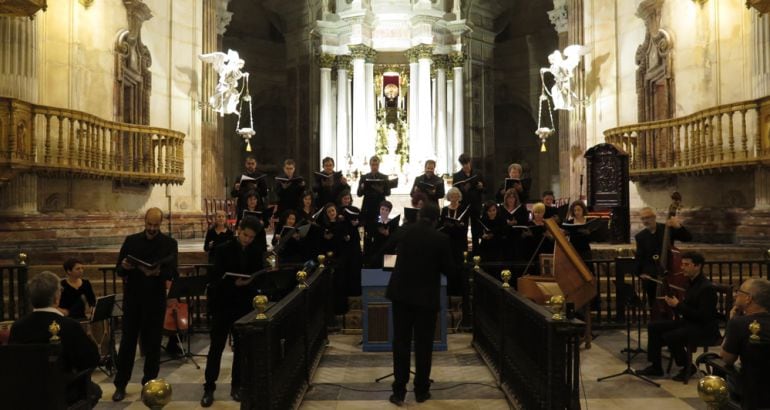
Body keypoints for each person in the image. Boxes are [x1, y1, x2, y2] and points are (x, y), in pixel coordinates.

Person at [383, 202, 455, 405]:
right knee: (424, 345)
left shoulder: (404, 230)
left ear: (419, 215)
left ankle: (398, 392)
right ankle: (421, 391)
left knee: (401, 343)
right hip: (426, 298)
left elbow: (386, 250)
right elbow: (449, 270)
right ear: (436, 219)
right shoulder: (441, 238)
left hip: (401, 295)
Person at [112, 208, 178, 402]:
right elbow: (119, 269)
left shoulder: (169, 243)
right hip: (133, 299)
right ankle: (120, 384)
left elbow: (173, 272)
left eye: (155, 226)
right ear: (144, 222)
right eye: (149, 225)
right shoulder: (131, 241)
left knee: (153, 344)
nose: (151, 229)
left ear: (161, 223)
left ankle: (149, 384)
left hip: (155, 299)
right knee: (127, 343)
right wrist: (124, 267)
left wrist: (158, 273)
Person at [9, 271, 102, 407]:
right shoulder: (69, 326)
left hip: (26, 390)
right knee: (95, 390)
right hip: (61, 391)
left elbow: (15, 361)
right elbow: (91, 360)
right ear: (56, 298)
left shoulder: (18, 327)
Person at [201, 217, 266, 407]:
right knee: (216, 347)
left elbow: (259, 277)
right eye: (245, 235)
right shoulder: (223, 249)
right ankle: (209, 387)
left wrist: (250, 282)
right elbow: (215, 279)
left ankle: (237, 385)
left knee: (241, 348)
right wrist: (232, 283)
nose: (247, 240)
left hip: (243, 305)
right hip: (223, 304)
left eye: (251, 237)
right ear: (238, 230)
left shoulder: (255, 252)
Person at [637, 251, 720, 381]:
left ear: (698, 266)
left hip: (704, 328)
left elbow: (703, 316)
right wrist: (673, 304)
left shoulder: (707, 288)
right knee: (653, 326)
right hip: (690, 322)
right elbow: (687, 310)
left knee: (671, 335)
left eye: (686, 264)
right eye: (682, 264)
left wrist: (678, 305)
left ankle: (688, 367)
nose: (682, 267)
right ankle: (656, 367)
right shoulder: (690, 283)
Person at [720, 278, 770, 409]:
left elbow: (727, 358)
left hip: (754, 392)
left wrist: (730, 325)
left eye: (739, 291)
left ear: (749, 298)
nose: (736, 294)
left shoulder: (738, 323)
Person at [634, 206, 692, 308]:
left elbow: (687, 238)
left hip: (669, 274)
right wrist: (640, 273)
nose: (645, 221)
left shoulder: (666, 229)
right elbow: (640, 257)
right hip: (651, 277)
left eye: (647, 217)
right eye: (643, 218)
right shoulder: (640, 236)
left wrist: (678, 226)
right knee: (654, 304)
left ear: (654, 217)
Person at [452, 153, 485, 254]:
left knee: (476, 230)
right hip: (463, 206)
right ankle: (464, 253)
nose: (466, 166)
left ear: (470, 162)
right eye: (463, 164)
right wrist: (463, 190)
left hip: (476, 204)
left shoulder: (478, 173)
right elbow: (455, 191)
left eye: (467, 163)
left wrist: (481, 187)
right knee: (463, 229)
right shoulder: (457, 176)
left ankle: (476, 252)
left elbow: (485, 189)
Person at [440, 187, 469, 295]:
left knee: (459, 266)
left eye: (456, 196)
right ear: (449, 197)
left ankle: (459, 291)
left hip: (460, 242)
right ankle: (449, 291)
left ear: (459, 197)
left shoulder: (463, 209)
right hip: (448, 242)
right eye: (452, 196)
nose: (454, 198)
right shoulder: (444, 210)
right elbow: (441, 226)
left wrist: (457, 226)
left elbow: (465, 227)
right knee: (449, 265)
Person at [364, 200, 399, 268]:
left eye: (386, 210)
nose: (384, 211)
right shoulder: (374, 222)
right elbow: (369, 235)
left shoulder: (393, 223)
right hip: (376, 250)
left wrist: (387, 234)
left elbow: (395, 238)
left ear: (389, 211)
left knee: (388, 271)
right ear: (379, 209)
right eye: (382, 209)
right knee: (375, 270)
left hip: (389, 251)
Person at [357, 156, 391, 226]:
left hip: (381, 206)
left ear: (379, 165)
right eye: (373, 165)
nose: (375, 167)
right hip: (367, 207)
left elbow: (388, 193)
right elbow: (359, 194)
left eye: (376, 165)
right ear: (370, 165)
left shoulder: (384, 177)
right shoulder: (364, 177)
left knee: (381, 227)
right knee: (367, 228)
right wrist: (362, 187)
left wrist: (382, 190)